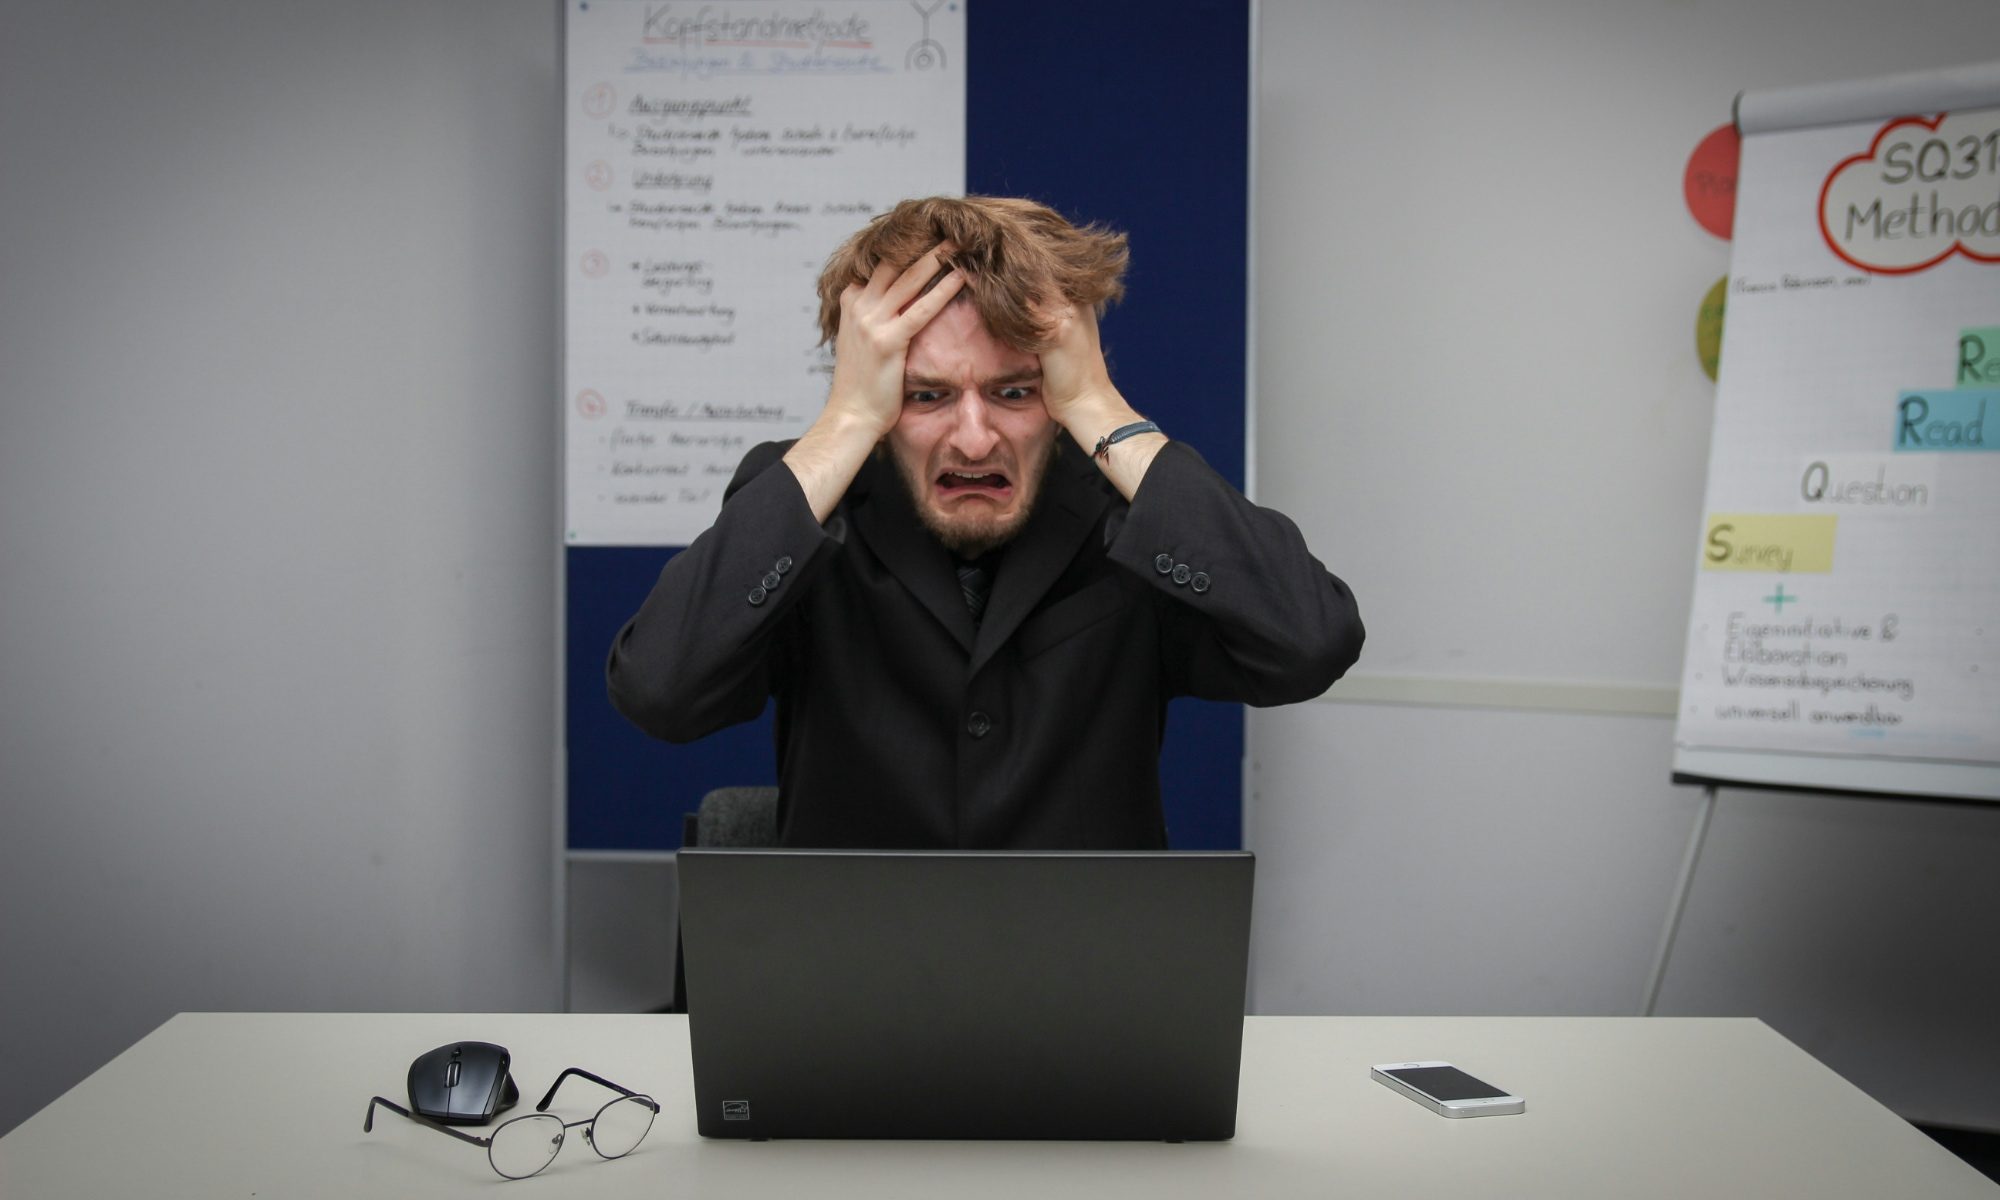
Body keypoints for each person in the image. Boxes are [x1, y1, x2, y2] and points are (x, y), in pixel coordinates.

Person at [607, 196, 1362, 848]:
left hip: (1085, 986)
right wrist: (845, 423)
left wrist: (1099, 409)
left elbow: (1308, 642)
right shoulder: (810, 508)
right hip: (853, 989)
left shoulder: (1125, 511)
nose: (973, 439)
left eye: (1014, 392)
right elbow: (661, 690)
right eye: (926, 396)